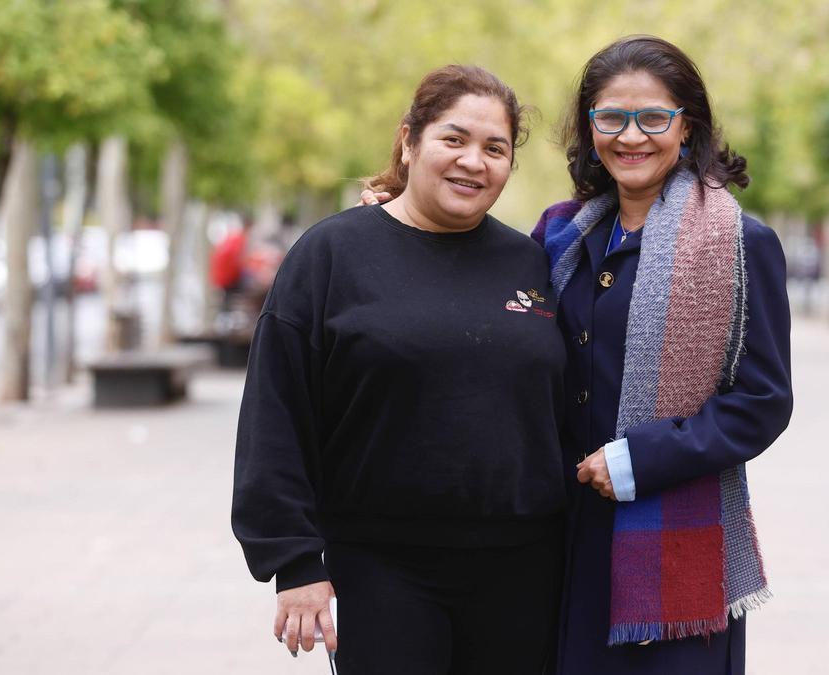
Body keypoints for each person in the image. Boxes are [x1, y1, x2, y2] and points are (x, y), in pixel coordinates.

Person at [232, 64, 567, 675]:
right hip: (381, 569)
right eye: (453, 139)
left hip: (525, 568)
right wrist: (294, 561)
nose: (473, 161)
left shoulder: (530, 261)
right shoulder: (331, 254)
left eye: (495, 149)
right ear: (409, 141)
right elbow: (275, 413)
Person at [531, 36, 793, 674]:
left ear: (688, 125)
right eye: (611, 118)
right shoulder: (559, 235)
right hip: (560, 535)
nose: (631, 136)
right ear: (590, 126)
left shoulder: (738, 243)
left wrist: (639, 460)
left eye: (653, 117)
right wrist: (397, 215)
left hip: (670, 541)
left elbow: (762, 402)